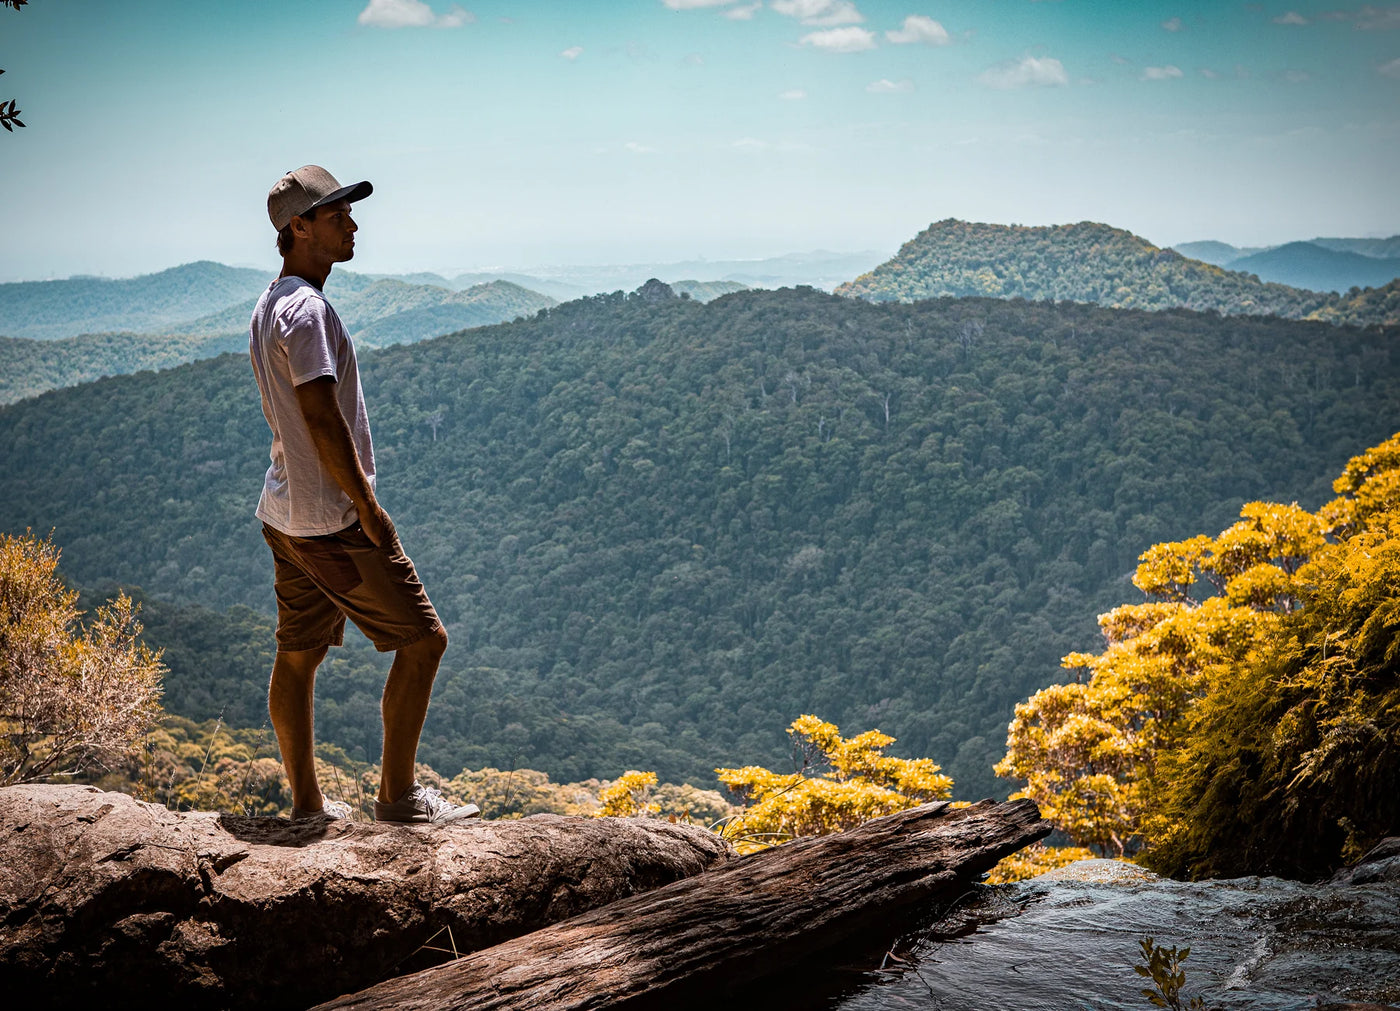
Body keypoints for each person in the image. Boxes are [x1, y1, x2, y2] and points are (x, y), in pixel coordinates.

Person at [249, 165, 477, 824]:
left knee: (297, 655)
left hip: (284, 514)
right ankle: (398, 799)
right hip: (333, 521)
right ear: (299, 227)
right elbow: (322, 416)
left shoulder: (271, 303)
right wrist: (370, 512)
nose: (352, 223)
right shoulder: (308, 309)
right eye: (336, 214)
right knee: (423, 642)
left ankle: (307, 806)